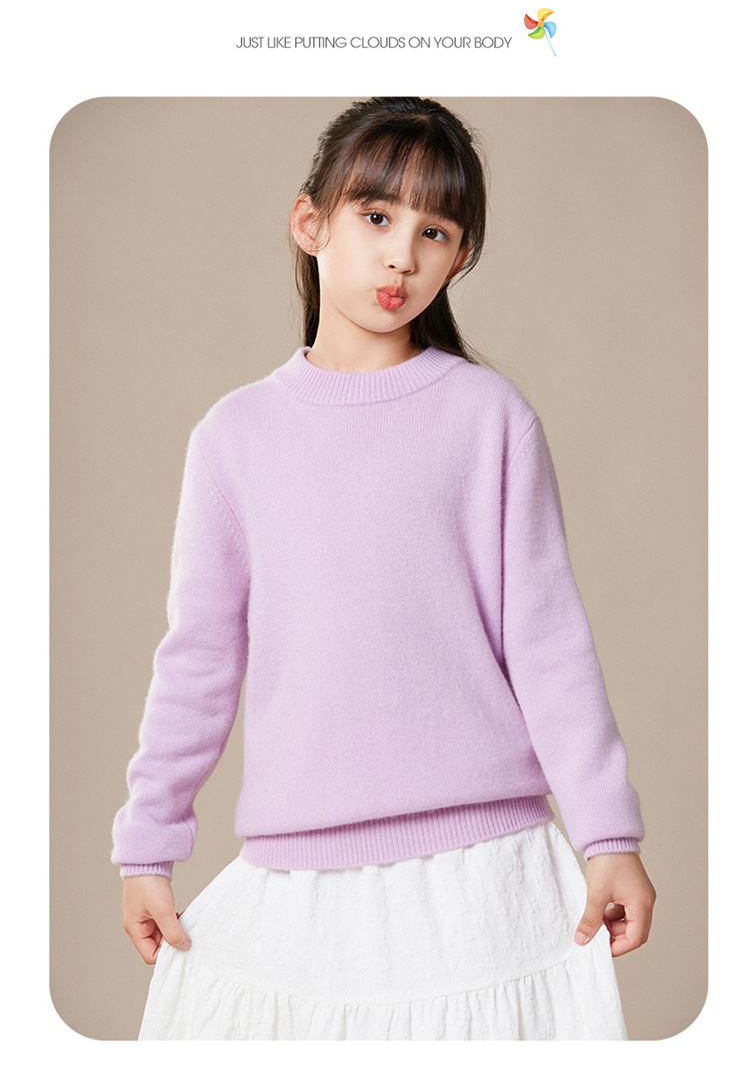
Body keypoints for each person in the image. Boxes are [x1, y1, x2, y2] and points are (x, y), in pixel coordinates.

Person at [112, 96, 656, 1041]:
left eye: (433, 231)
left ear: (460, 256)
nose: (402, 254)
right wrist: (147, 846)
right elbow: (198, 656)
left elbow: (548, 641)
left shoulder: (489, 420)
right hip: (300, 881)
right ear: (310, 221)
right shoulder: (235, 438)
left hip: (489, 871)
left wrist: (609, 834)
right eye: (376, 216)